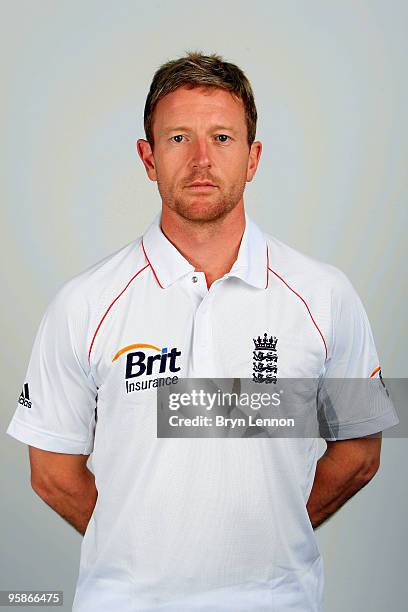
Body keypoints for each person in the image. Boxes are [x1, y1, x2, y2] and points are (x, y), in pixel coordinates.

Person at [6, 51, 399, 612]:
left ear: (253, 156)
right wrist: (144, 554)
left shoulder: (326, 296)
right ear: (147, 157)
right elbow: (50, 470)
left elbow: (360, 449)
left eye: (221, 138)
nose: (200, 161)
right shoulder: (84, 303)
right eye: (176, 139)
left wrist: (274, 536)